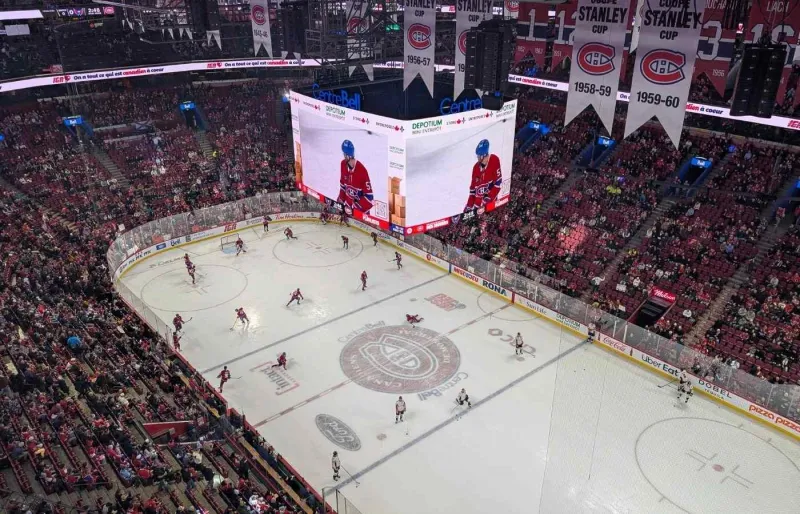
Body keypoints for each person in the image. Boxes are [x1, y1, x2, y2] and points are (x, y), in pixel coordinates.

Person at [464, 139, 502, 212]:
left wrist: (489, 197)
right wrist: (469, 205)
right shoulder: (475, 168)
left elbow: (498, 183)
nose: (477, 158)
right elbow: (472, 191)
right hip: (477, 207)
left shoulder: (494, 160)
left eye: (478, 156)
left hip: (490, 204)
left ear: (483, 156)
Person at [337, 140, 374, 213]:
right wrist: (340, 201)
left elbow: (370, 199)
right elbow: (343, 187)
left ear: (347, 155)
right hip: (347, 211)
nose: (343, 156)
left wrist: (355, 208)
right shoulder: (343, 164)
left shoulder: (362, 171)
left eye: (344, 154)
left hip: (360, 215)